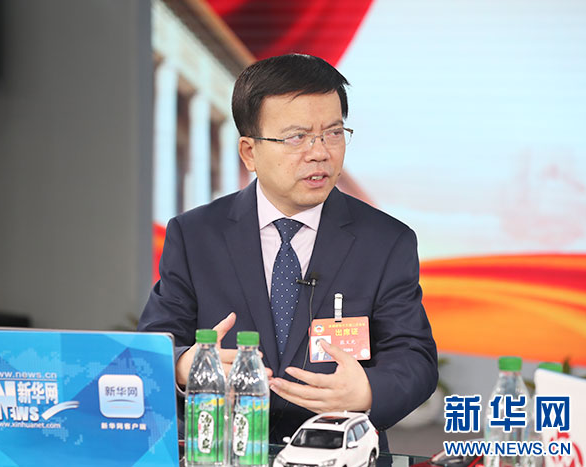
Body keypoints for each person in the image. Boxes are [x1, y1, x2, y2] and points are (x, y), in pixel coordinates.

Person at [138, 54, 438, 450]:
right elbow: (155, 345)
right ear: (249, 152)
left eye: (333, 133)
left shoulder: (385, 241)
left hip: (338, 451)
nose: (320, 152)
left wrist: (366, 390)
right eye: (297, 137)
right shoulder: (195, 236)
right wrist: (184, 366)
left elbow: (414, 358)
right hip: (224, 451)